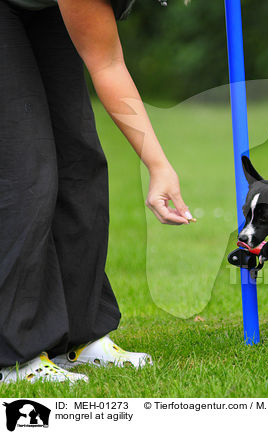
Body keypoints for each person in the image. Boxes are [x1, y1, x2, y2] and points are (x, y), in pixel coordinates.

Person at [0, 0, 193, 384]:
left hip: (47, 8)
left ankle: (78, 335)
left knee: (79, 161)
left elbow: (105, 57)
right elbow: (108, 67)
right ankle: (15, 357)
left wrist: (157, 164)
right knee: (26, 172)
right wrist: (158, 164)